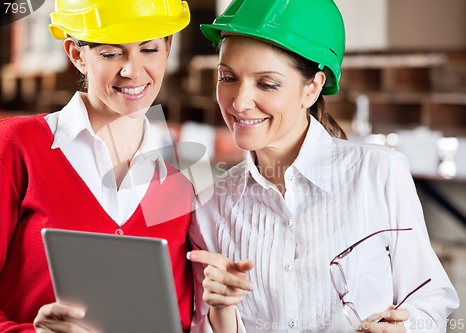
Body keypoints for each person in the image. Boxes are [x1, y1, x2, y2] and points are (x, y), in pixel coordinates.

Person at [187, 0, 460, 332]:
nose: (240, 102)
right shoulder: (210, 207)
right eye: (228, 77)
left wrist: (403, 329)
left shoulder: (378, 174)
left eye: (267, 84)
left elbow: (431, 302)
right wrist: (222, 313)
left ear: (312, 87)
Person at [0, 0, 196, 332]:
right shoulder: (15, 148)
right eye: (110, 53)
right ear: (76, 54)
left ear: (168, 48)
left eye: (149, 49)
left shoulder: (178, 180)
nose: (132, 70)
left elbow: (176, 320)